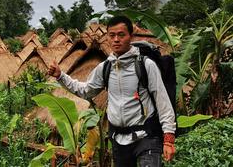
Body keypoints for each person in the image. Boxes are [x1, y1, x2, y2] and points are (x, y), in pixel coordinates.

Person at [48, 15, 176, 166]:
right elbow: (85, 90)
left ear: (131, 36)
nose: (116, 39)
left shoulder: (145, 65)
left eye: (121, 35)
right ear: (107, 37)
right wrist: (61, 76)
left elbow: (163, 102)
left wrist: (168, 139)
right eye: (112, 35)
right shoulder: (105, 68)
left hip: (146, 137)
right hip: (119, 141)